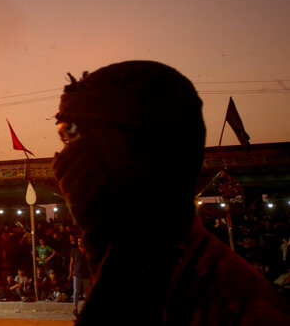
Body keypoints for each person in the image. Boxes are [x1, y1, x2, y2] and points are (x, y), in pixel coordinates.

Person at [52, 60, 290, 324]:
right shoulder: (135, 274)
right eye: (64, 139)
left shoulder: (231, 307)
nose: (63, 159)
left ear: (134, 151)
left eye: (72, 137)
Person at [69, 236, 91, 314]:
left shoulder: (87, 251)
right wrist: (70, 273)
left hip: (86, 275)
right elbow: (71, 263)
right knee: (76, 292)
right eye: (78, 241)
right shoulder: (74, 250)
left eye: (81, 241)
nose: (79, 243)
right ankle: (75, 308)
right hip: (77, 274)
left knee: (87, 292)